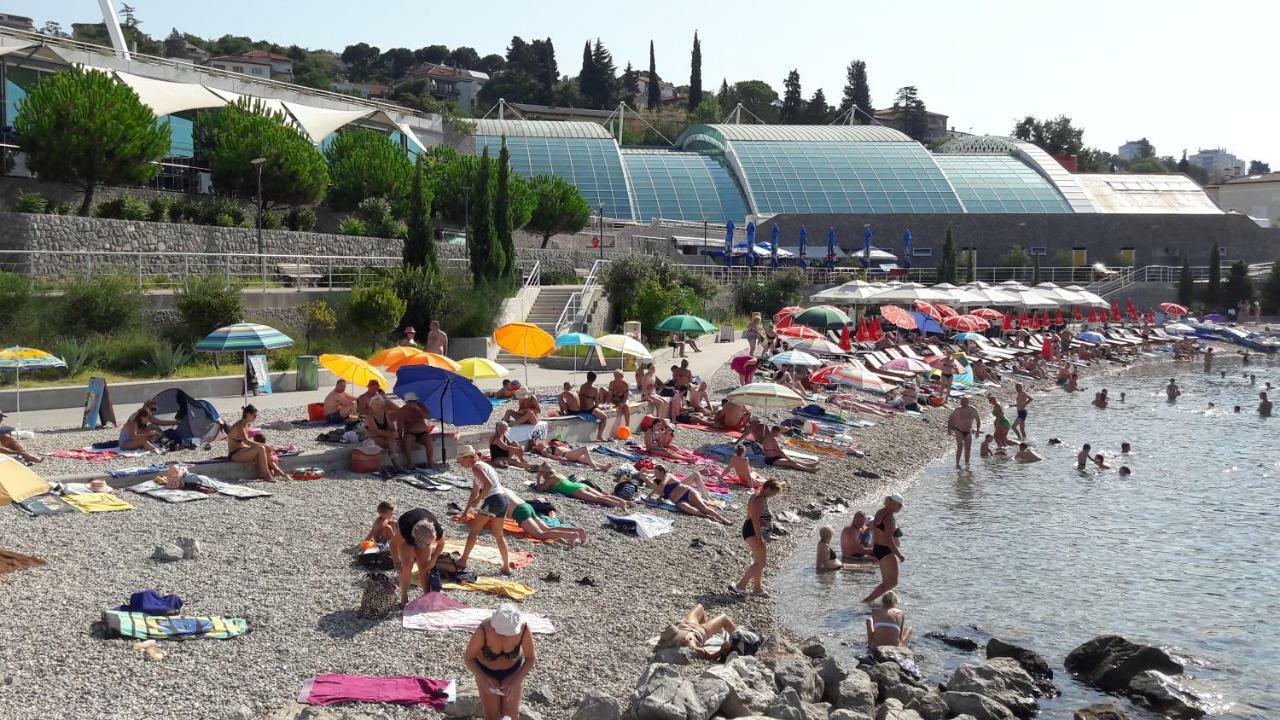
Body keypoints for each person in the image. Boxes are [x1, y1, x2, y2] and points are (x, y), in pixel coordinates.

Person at [463, 602, 536, 720]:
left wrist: (516, 681)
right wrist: (482, 677)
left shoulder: (524, 629)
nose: (505, 636)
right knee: (491, 716)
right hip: (486, 672)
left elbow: (531, 658)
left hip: (513, 672)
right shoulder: (484, 629)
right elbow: (468, 658)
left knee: (511, 715)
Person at [456, 445, 512, 575]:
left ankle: (463, 560)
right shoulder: (481, 467)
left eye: (461, 460)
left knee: (474, 531)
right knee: (498, 535)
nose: (460, 464)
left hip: (493, 499)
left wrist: (479, 499)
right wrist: (465, 511)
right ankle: (506, 566)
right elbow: (473, 493)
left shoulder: (476, 467)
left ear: (468, 457)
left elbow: (488, 485)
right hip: (503, 499)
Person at [731, 479, 784, 597]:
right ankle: (740, 585)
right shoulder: (759, 500)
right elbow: (755, 521)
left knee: (758, 562)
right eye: (773, 493)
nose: (773, 495)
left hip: (754, 531)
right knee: (761, 563)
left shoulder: (758, 496)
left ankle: (757, 589)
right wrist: (759, 538)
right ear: (767, 489)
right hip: (753, 532)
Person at [392, 507, 445, 605]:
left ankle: (427, 595)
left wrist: (433, 560)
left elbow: (441, 544)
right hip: (409, 530)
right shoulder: (405, 531)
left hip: (423, 532)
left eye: (428, 544)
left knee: (425, 565)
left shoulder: (436, 531)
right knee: (407, 564)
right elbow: (393, 544)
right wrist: (396, 562)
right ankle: (404, 597)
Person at [499, 488, 587, 546]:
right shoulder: (504, 489)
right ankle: (577, 530)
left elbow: (501, 510)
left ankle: (570, 535)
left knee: (539, 534)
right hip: (527, 506)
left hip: (520, 511)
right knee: (546, 528)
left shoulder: (494, 492)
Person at [645, 466, 732, 524]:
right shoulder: (659, 482)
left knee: (704, 508)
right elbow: (663, 493)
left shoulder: (668, 475)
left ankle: (723, 520)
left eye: (656, 472)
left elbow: (663, 485)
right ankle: (707, 516)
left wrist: (650, 494)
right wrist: (660, 498)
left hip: (687, 493)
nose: (655, 475)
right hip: (679, 501)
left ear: (662, 471)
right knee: (686, 508)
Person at [861, 495, 905, 604]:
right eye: (899, 505)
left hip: (878, 548)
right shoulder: (889, 518)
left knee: (887, 582)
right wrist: (899, 555)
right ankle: (868, 601)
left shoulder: (880, 512)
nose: (900, 508)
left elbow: (875, 528)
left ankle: (884, 601)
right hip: (885, 550)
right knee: (892, 582)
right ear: (892, 503)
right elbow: (889, 540)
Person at [533, 463, 634, 509]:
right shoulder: (557, 474)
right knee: (603, 495)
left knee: (598, 499)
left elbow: (540, 490)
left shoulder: (551, 478)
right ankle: (625, 502)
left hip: (574, 490)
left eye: (542, 474)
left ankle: (620, 505)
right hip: (579, 485)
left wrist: (538, 478)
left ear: (544, 473)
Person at [227, 405, 288, 481]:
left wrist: (267, 447)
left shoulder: (247, 424)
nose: (255, 417)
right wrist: (264, 445)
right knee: (261, 448)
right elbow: (247, 441)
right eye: (254, 415)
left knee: (264, 448)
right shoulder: (240, 425)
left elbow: (251, 441)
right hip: (235, 453)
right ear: (248, 414)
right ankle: (267, 475)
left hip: (242, 450)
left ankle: (275, 470)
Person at [656, 604, 736, 660]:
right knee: (725, 619)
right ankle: (740, 640)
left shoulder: (668, 640)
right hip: (700, 630)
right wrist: (721, 650)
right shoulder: (691, 646)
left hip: (686, 625)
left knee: (699, 606)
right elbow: (710, 657)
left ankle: (709, 627)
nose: (684, 637)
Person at [528, 438, 612, 471]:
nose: (541, 442)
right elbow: (550, 456)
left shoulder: (546, 447)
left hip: (569, 453)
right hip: (567, 455)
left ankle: (603, 467)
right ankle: (593, 466)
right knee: (584, 449)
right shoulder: (544, 451)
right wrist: (560, 458)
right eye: (538, 444)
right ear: (537, 448)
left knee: (587, 459)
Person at [399, 391, 435, 468]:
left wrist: (418, 409)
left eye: (415, 401)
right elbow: (400, 425)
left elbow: (429, 417)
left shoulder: (421, 406)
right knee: (407, 440)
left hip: (423, 432)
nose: (414, 403)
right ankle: (409, 462)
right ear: (407, 402)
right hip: (410, 433)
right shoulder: (402, 411)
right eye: (412, 401)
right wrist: (399, 437)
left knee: (429, 440)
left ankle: (430, 461)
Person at [364, 394, 400, 465]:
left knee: (391, 440)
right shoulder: (369, 417)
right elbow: (376, 431)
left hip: (384, 436)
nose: (377, 406)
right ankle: (395, 462)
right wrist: (390, 434)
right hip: (373, 437)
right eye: (375, 404)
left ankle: (393, 458)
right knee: (391, 442)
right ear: (371, 405)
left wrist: (394, 431)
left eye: (379, 404)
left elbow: (390, 426)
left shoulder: (384, 414)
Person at [947, 397, 981, 469]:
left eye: (964, 402)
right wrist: (949, 429)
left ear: (968, 402)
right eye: (961, 402)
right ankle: (957, 463)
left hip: (968, 431)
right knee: (960, 446)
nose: (962, 403)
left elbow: (978, 420)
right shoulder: (958, 410)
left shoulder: (972, 410)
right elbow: (950, 418)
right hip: (959, 430)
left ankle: (967, 463)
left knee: (968, 448)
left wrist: (978, 430)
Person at [577, 372, 609, 441]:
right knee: (605, 417)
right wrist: (603, 406)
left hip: (581, 408)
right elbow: (597, 405)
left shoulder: (582, 386)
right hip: (589, 409)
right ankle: (599, 436)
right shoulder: (595, 389)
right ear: (595, 379)